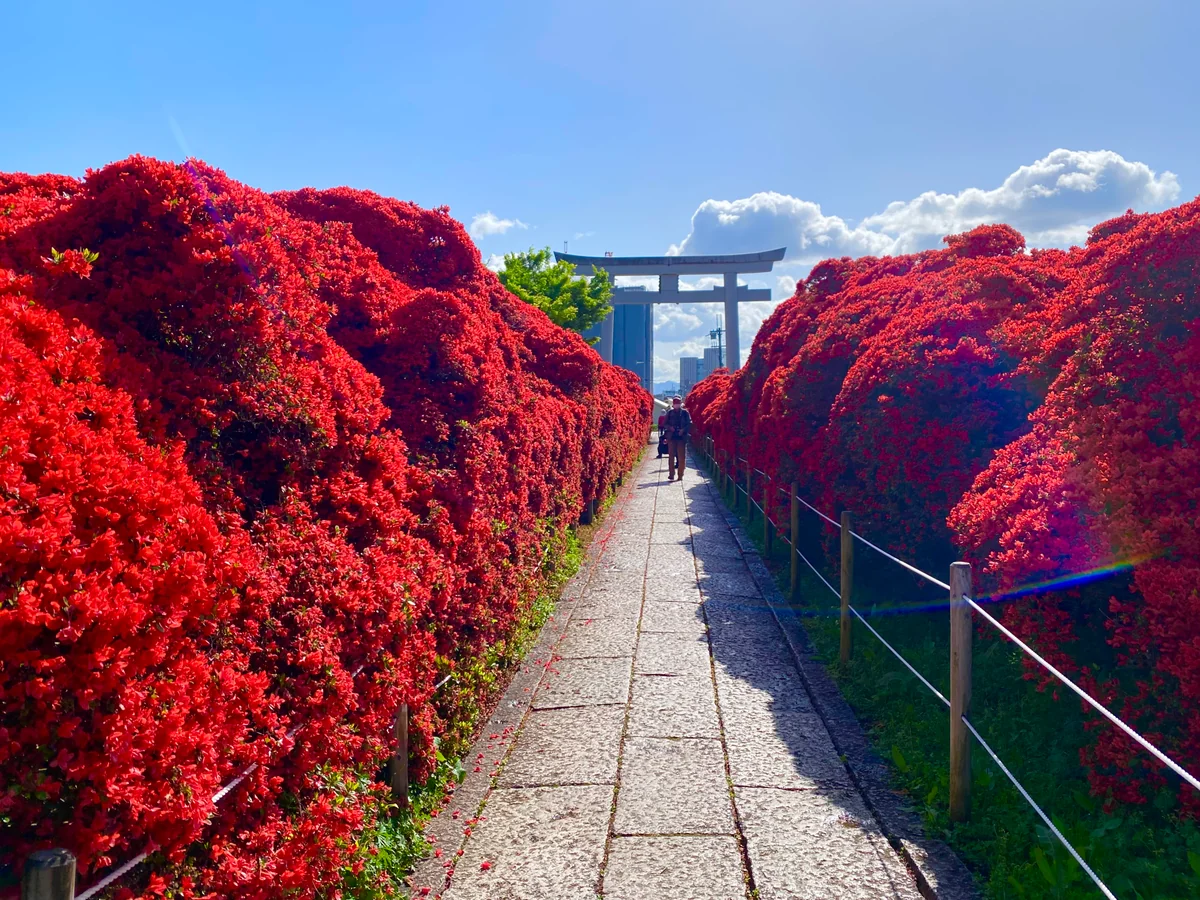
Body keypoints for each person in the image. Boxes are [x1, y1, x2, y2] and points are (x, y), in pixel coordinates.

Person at [663, 395, 691, 482]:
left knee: (681, 457)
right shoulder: (670, 413)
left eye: (678, 403)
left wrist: (683, 430)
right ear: (673, 404)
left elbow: (689, 423)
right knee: (671, 456)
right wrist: (670, 428)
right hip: (672, 437)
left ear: (680, 403)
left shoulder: (685, 413)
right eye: (675, 403)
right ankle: (671, 474)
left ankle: (680, 475)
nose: (676, 405)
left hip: (681, 438)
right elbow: (665, 424)